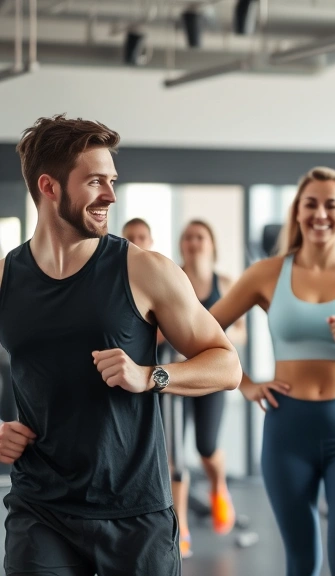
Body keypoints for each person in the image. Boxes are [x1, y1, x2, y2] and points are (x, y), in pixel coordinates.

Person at [0, 115, 241, 576]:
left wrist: (151, 376)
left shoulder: (145, 270)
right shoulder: (6, 278)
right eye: (95, 182)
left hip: (135, 511)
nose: (111, 195)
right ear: (49, 187)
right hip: (40, 507)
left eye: (112, 180)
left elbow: (227, 366)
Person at [208, 166, 335, 576]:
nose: (321, 214)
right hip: (287, 429)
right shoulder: (266, 273)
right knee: (301, 563)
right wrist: (243, 383)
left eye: (331, 205)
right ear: (297, 213)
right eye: (310, 204)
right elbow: (204, 330)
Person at [167, 220, 247, 558]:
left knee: (206, 446)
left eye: (200, 236)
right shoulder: (171, 278)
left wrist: (215, 338)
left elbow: (241, 332)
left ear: (212, 245)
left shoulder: (225, 284)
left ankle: (218, 487)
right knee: (174, 457)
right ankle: (180, 527)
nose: (194, 242)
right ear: (181, 245)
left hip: (210, 375)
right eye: (188, 237)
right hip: (175, 376)